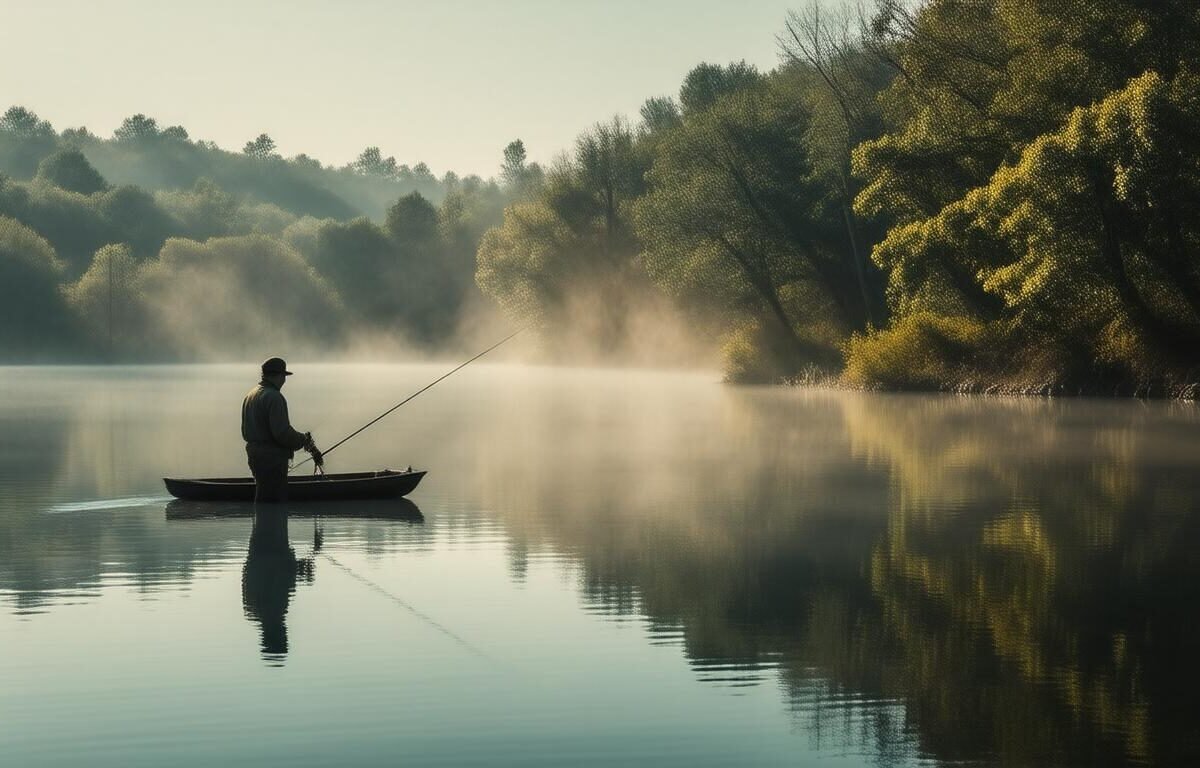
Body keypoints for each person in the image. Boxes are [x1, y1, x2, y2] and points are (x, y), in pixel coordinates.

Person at [241, 357, 323, 503]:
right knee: (273, 501)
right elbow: (282, 433)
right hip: (271, 460)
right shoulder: (274, 397)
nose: (284, 381)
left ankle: (263, 525)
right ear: (278, 376)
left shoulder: (251, 394)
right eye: (284, 376)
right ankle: (271, 526)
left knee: (263, 498)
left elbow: (245, 431)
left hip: (255, 457)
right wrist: (303, 440)